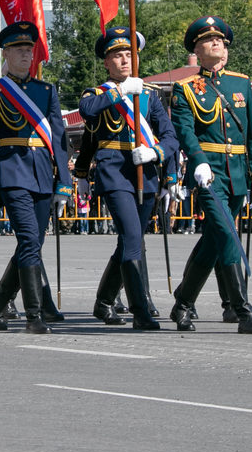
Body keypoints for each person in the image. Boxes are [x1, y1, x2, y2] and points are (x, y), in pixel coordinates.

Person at [0, 21, 73, 334]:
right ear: (7, 54)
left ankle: (1, 297)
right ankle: (33, 315)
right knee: (29, 240)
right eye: (20, 50)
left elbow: (59, 138)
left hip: (43, 172)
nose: (27, 55)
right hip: (12, 171)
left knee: (32, 244)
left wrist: (64, 181)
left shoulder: (46, 91)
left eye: (30, 49)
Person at [167, 16, 252, 335]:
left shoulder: (241, 83)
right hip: (209, 174)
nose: (217, 44)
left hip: (237, 173)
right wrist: (197, 161)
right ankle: (242, 309)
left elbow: (251, 135)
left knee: (214, 239)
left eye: (220, 40)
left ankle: (183, 303)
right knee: (225, 233)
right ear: (196, 48)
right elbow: (185, 130)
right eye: (209, 40)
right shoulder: (186, 87)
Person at [77, 26, 179, 331]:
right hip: (113, 172)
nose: (125, 60)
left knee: (130, 241)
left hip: (145, 172)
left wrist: (157, 155)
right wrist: (121, 91)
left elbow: (170, 136)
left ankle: (104, 301)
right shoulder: (98, 93)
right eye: (118, 56)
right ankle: (140, 310)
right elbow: (87, 111)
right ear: (107, 63)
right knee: (133, 237)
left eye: (129, 55)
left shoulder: (150, 96)